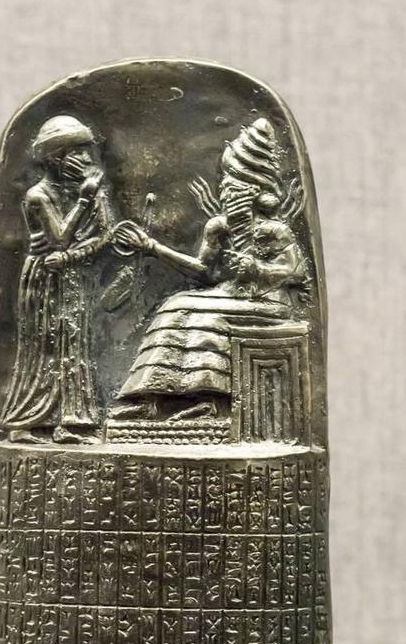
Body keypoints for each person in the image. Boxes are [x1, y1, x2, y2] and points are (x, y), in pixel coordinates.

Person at [110, 118, 306, 422]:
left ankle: (209, 400)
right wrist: (153, 247)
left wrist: (257, 269)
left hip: (268, 303)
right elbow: (203, 272)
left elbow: (295, 272)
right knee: (174, 306)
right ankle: (150, 398)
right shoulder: (218, 227)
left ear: (253, 192)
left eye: (231, 186)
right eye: (224, 185)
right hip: (229, 295)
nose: (224, 192)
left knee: (207, 318)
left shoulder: (274, 231)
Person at [0, 115, 112, 443]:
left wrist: (73, 256)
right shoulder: (39, 195)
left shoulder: (90, 193)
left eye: (88, 151)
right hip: (45, 279)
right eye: (79, 152)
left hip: (74, 277)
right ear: (56, 158)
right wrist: (84, 200)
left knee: (73, 348)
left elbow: (105, 235)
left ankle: (68, 424)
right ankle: (22, 423)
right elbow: (60, 238)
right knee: (44, 347)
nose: (87, 159)